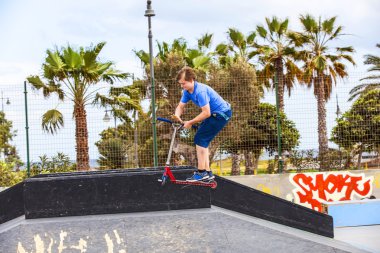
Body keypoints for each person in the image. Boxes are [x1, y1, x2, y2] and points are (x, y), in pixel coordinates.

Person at [174, 67, 232, 181]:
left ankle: (201, 173)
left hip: (221, 114)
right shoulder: (187, 91)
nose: (182, 86)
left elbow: (206, 112)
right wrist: (177, 116)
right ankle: (208, 172)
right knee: (202, 141)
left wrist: (190, 122)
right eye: (180, 84)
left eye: (183, 83)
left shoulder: (200, 91)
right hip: (214, 114)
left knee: (200, 138)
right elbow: (181, 106)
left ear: (191, 80)